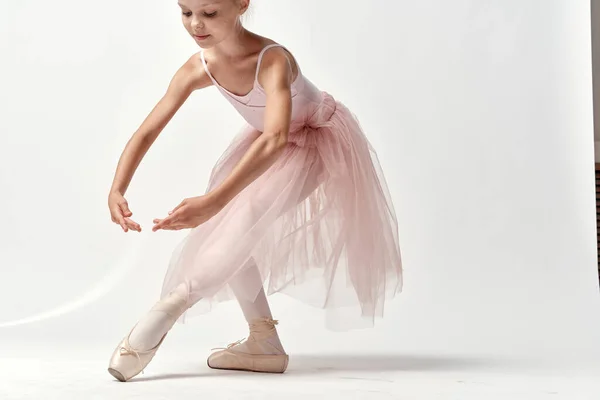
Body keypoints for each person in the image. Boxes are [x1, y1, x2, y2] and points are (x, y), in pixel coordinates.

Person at [106, 0, 403, 382]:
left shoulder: (273, 59)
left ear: (242, 4)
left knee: (238, 218)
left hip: (314, 139)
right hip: (264, 141)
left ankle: (165, 311)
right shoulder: (199, 68)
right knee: (230, 229)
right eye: (185, 11)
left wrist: (213, 201)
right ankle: (264, 342)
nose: (196, 24)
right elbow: (148, 129)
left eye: (210, 13)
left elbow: (277, 136)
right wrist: (118, 187)